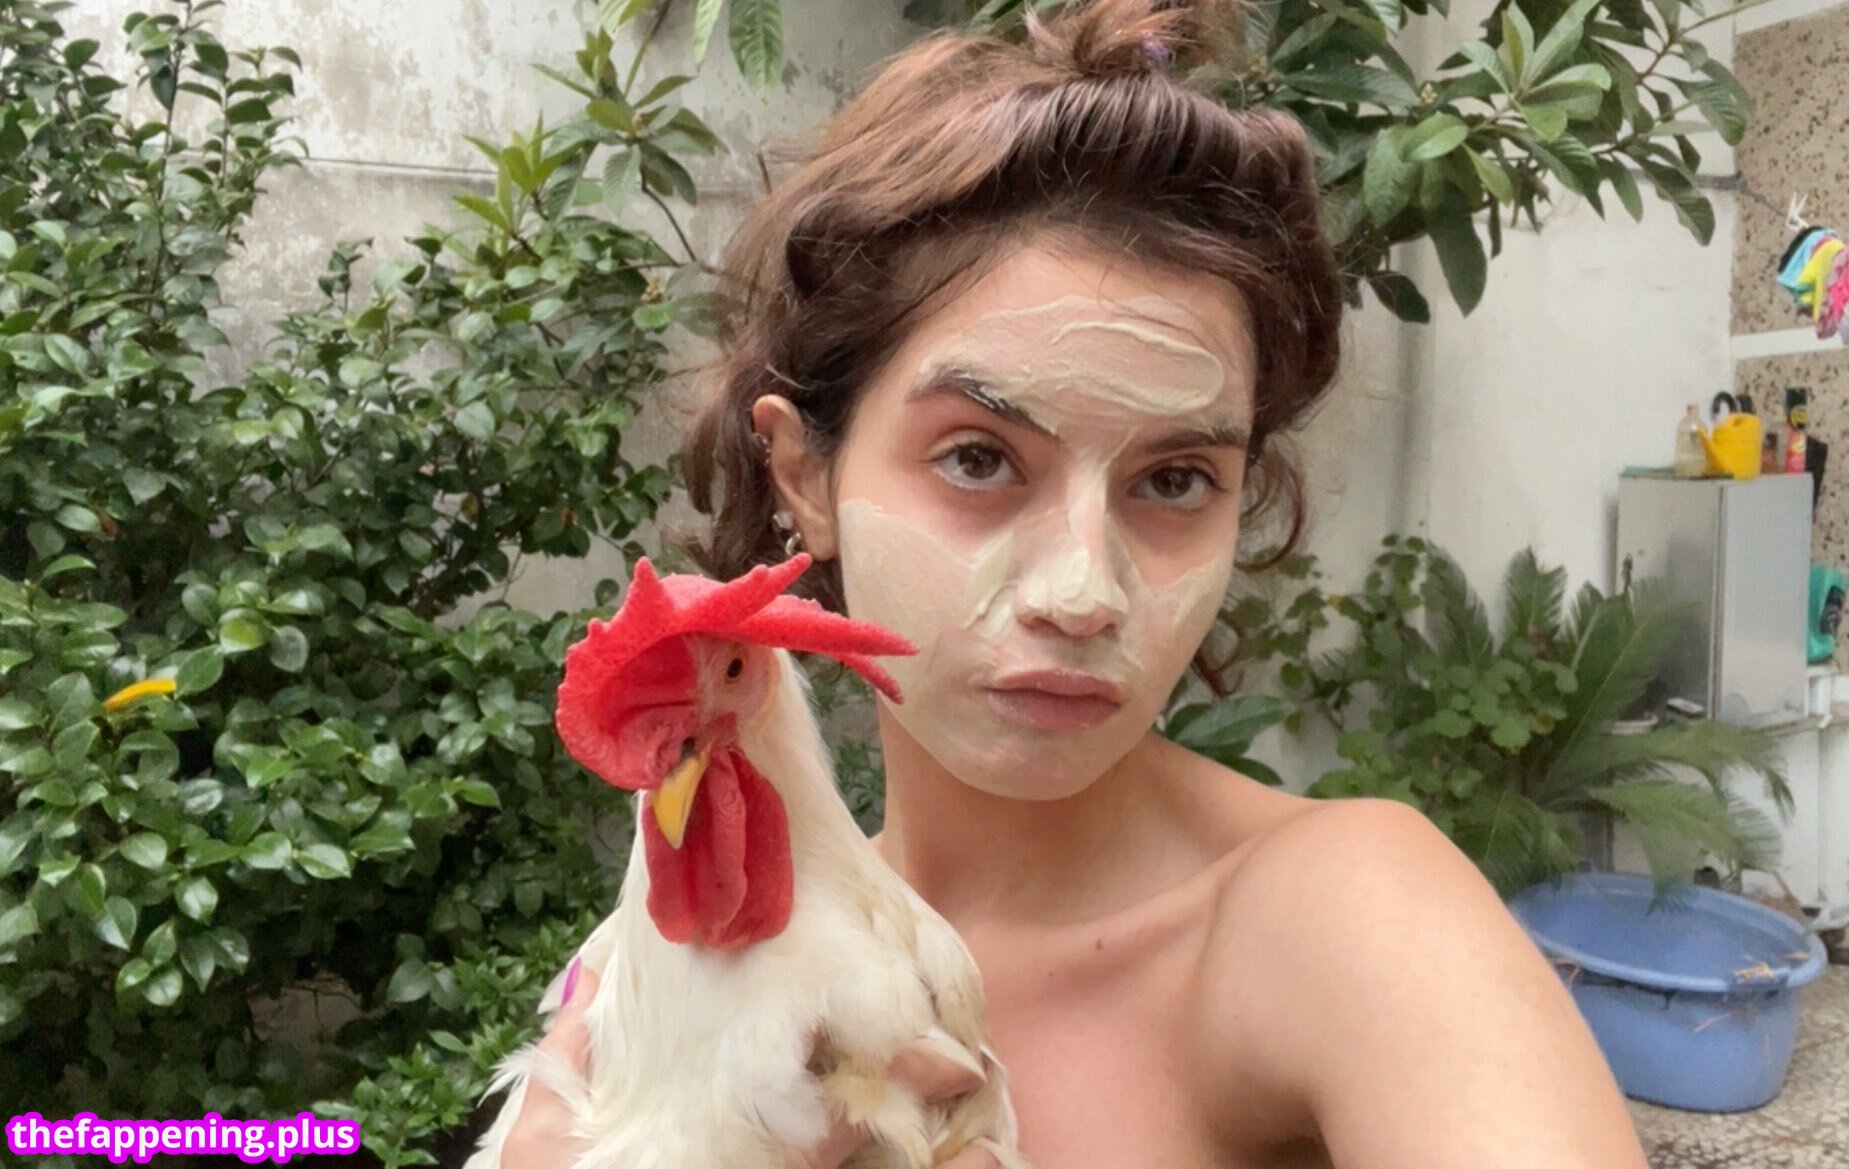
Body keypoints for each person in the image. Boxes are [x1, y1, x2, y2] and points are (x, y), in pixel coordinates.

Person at [501, 0, 1652, 1165]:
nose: (1081, 593)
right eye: (977, 458)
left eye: (1175, 480)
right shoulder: (686, 979)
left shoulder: (1349, 916)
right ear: (803, 474)